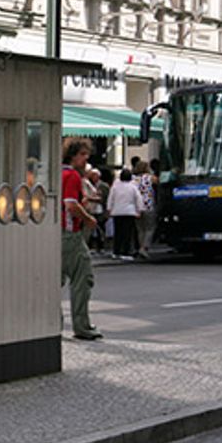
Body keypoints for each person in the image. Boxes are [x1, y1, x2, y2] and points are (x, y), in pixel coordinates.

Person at [62, 139, 101, 340]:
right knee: (83, 277)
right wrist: (88, 218)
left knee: (54, 280)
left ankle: (52, 323)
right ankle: (82, 325)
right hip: (70, 233)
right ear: (73, 155)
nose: (86, 159)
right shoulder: (72, 176)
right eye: (83, 154)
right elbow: (70, 205)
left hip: (54, 232)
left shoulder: (57, 173)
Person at [107, 168, 144, 260]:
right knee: (127, 233)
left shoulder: (115, 187)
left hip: (117, 211)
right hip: (129, 212)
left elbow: (111, 198)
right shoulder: (133, 187)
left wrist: (109, 209)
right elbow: (138, 199)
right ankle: (126, 252)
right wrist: (139, 210)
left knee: (118, 232)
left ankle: (116, 251)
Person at [134, 160, 158, 259]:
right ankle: (144, 247)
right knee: (150, 228)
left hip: (137, 206)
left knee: (140, 229)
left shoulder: (133, 179)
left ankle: (141, 246)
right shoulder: (150, 178)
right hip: (148, 205)